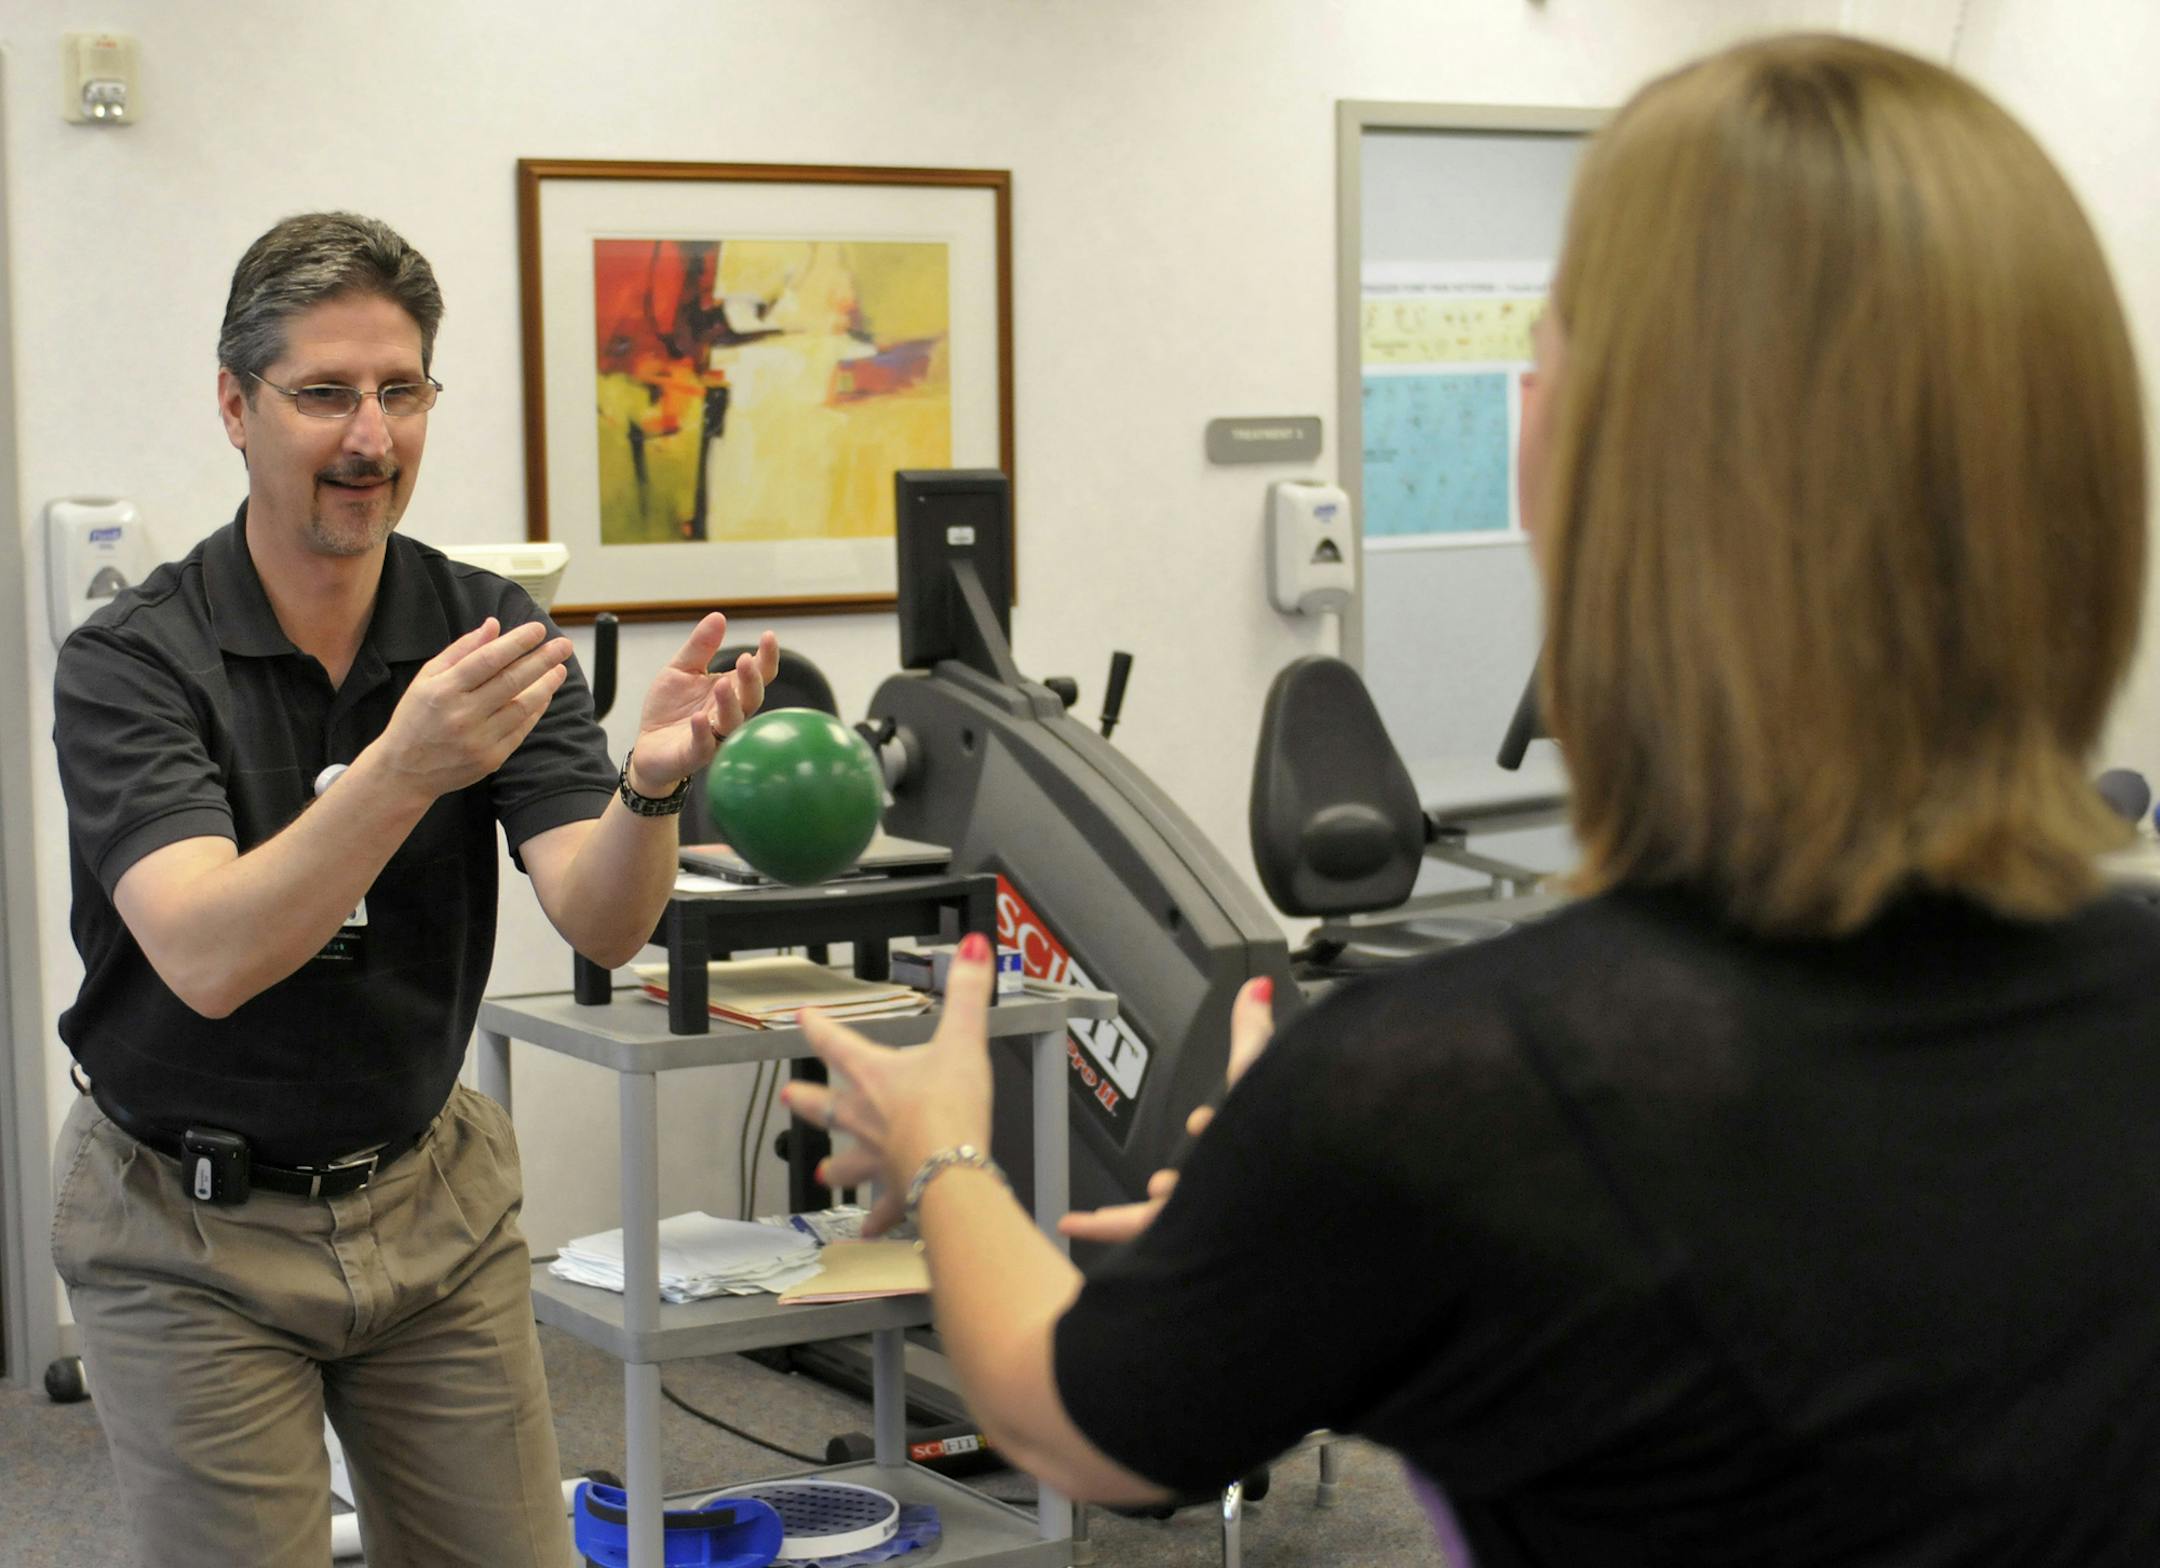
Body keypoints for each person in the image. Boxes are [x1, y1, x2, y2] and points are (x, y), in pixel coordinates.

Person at [788, 34, 2160, 1565]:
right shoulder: (1434, 1121)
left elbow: (1071, 1418)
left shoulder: (1460, 1100)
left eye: (1552, 344)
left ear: (1583, 458)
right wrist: (1316, 1208)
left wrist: (948, 1151)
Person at [50, 210, 779, 1567]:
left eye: (401, 393)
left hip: (427, 1203)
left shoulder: (491, 634)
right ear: (234, 404)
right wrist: (400, 768)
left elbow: (603, 915)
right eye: (324, 395)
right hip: (186, 1224)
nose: (370, 439)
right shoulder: (132, 662)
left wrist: (655, 788)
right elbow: (207, 955)